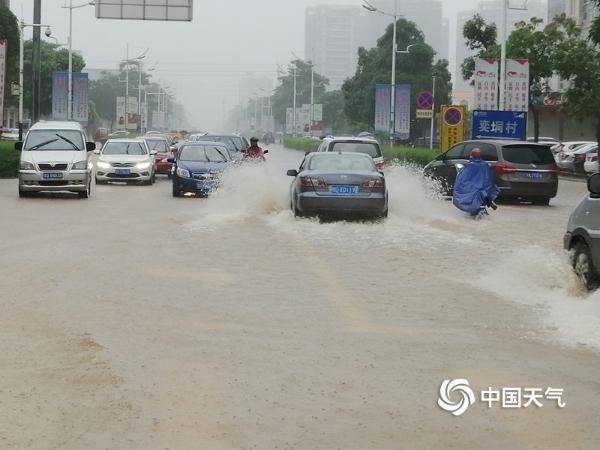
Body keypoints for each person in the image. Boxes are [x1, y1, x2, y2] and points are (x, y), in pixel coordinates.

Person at [452, 147, 499, 217]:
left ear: (472, 155)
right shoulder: (484, 165)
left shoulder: (469, 165)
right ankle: (489, 202)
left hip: (473, 192)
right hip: (483, 191)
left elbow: (462, 178)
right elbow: (489, 178)